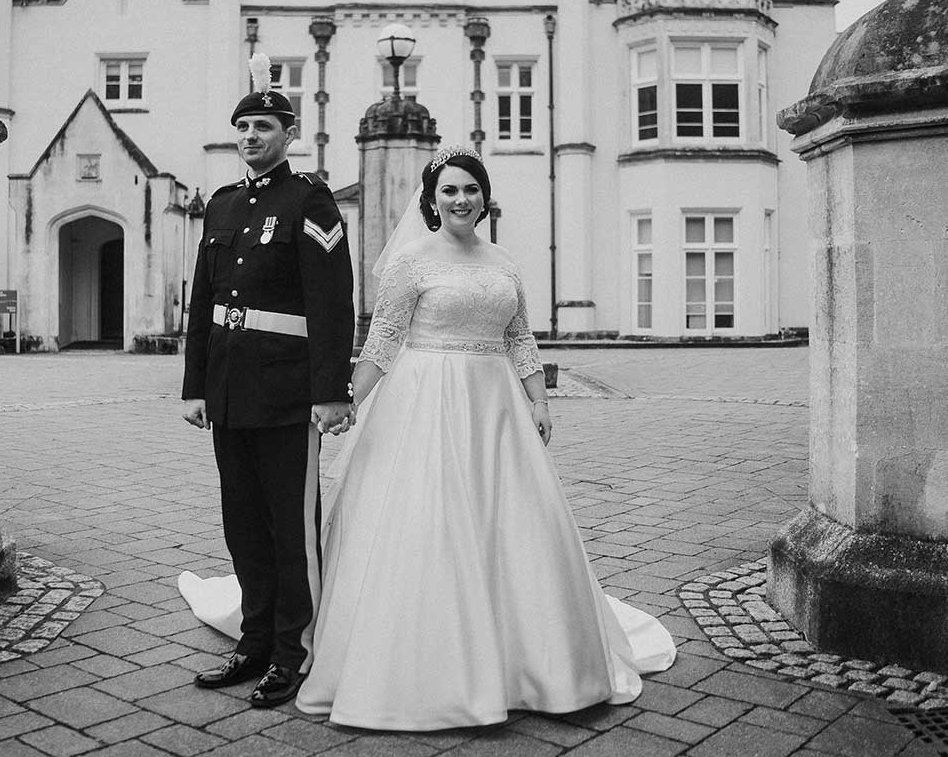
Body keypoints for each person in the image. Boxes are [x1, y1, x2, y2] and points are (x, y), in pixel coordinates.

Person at [289, 145, 676, 729]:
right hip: (423, 401)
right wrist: (347, 401)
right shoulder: (412, 262)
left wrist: (538, 400)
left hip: (496, 407)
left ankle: (530, 661)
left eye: (470, 189)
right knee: (429, 523)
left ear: (483, 197)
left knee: (515, 523)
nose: (460, 199)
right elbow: (384, 340)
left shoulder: (503, 261)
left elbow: (520, 337)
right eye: (449, 190)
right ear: (432, 199)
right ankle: (430, 669)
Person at [180, 52, 355, 709]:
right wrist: (195, 386)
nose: (251, 136)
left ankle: (292, 651)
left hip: (287, 396)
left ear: (287, 135)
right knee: (243, 525)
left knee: (290, 527)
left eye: (262, 126)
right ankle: (253, 641)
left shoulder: (308, 199)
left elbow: (332, 301)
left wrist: (331, 391)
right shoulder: (222, 206)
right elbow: (204, 302)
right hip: (229, 391)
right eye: (244, 127)